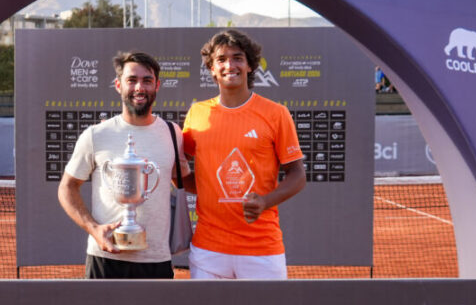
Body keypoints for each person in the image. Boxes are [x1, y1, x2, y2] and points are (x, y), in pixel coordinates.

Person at [182, 29, 306, 279]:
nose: (230, 65)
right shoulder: (197, 113)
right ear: (212, 68)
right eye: (221, 59)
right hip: (208, 249)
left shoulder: (276, 114)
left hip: (262, 249)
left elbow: (297, 175)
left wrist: (265, 202)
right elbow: (186, 176)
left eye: (237, 58)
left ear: (249, 65)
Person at [58, 51, 191, 279]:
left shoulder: (173, 133)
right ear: (118, 85)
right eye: (132, 80)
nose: (139, 87)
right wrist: (94, 229)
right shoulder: (96, 135)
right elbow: (67, 187)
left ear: (157, 86)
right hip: (105, 256)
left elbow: (186, 181)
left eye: (147, 80)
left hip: (156, 259)